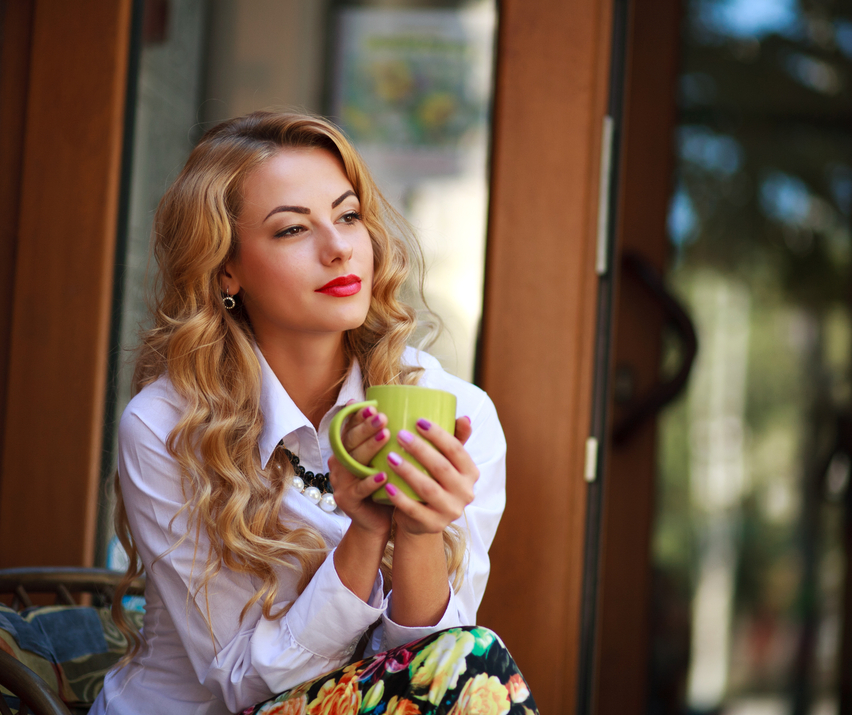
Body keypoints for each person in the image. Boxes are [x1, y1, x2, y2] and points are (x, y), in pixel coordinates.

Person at [89, 111, 538, 715]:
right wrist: (365, 530)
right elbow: (244, 683)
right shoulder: (168, 425)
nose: (338, 248)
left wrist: (419, 529)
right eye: (292, 230)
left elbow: (430, 671)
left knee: (471, 661)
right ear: (227, 268)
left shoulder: (454, 411)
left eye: (349, 215)